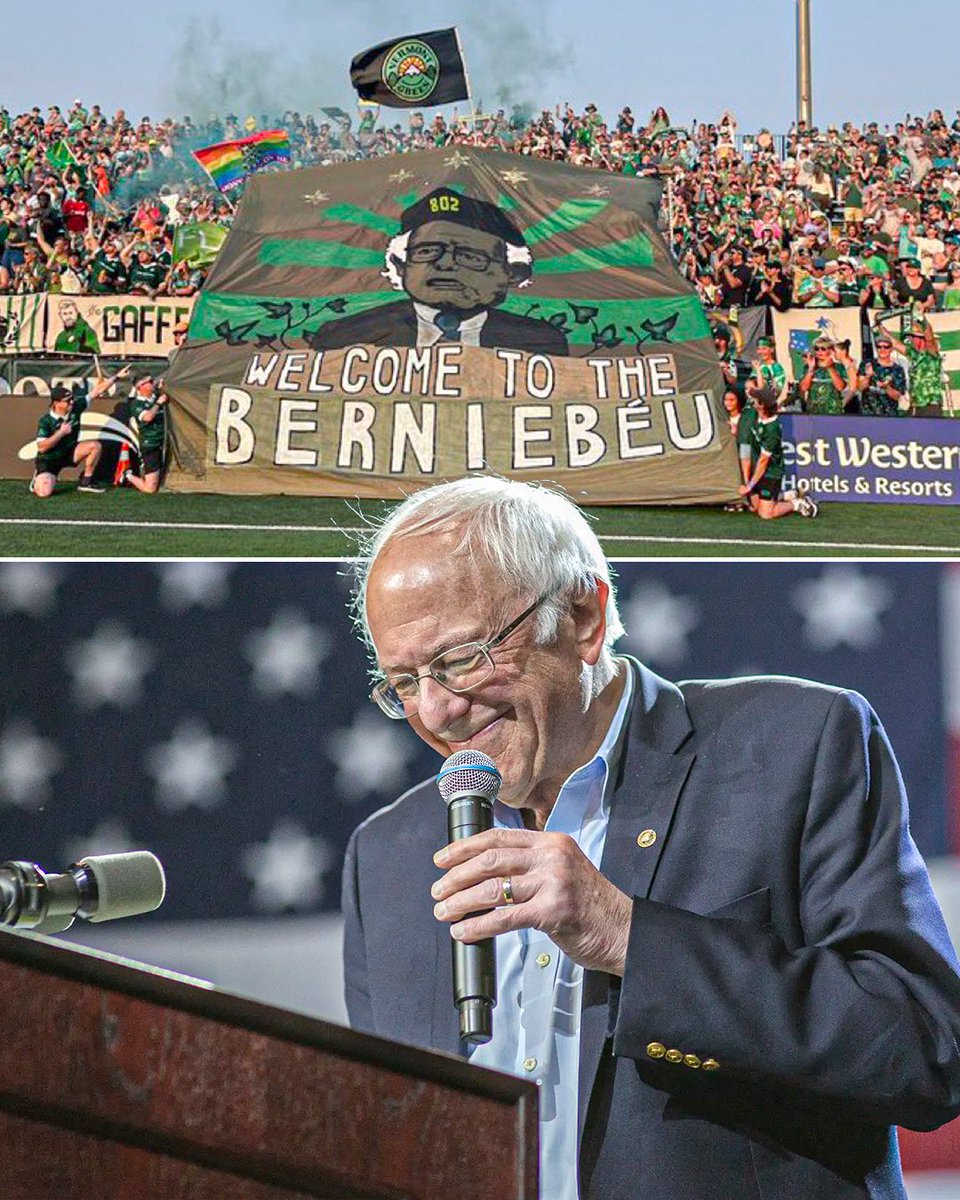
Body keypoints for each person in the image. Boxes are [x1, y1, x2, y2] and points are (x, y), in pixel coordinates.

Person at [343, 476, 960, 1200]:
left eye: (461, 659)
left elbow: (925, 1051)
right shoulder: (384, 858)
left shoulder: (796, 745)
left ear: (581, 616)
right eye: (404, 682)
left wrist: (625, 933)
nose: (438, 710)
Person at [312, 188, 568, 355]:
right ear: (401, 267)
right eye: (427, 251)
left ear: (513, 274)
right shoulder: (343, 338)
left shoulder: (541, 343)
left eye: (470, 256)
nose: (445, 264)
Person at [737, 387, 819, 519]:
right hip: (757, 468)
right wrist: (748, 483)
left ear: (762, 405)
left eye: (756, 399)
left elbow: (764, 462)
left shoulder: (772, 430)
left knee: (765, 514)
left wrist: (749, 486)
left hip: (771, 471)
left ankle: (797, 504)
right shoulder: (752, 413)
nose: (753, 400)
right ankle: (789, 494)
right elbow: (745, 447)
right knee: (754, 507)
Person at [31, 380, 107, 496]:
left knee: (95, 446)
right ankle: (39, 479)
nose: (71, 403)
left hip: (70, 452)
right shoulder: (45, 421)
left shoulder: (75, 407)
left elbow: (96, 391)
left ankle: (86, 482)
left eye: (72, 399)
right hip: (49, 460)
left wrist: (116, 377)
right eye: (67, 401)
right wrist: (61, 433)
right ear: (56, 403)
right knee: (44, 493)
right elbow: (42, 448)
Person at [878, 316, 946, 416]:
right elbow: (894, 343)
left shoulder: (932, 354)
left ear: (921, 339)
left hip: (930, 406)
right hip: (915, 406)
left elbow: (929, 338)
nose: (911, 339)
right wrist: (879, 326)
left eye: (913, 337)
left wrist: (923, 319)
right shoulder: (913, 354)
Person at [122, 374, 166, 493]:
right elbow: (147, 417)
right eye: (149, 381)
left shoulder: (156, 396)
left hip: (165, 442)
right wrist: (158, 404)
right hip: (151, 444)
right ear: (140, 387)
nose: (153, 383)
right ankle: (127, 475)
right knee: (150, 489)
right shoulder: (137, 404)